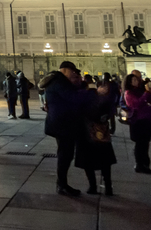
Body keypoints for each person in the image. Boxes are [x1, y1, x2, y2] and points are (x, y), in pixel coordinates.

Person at [38, 60, 85, 195]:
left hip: (60, 122)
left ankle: (62, 183)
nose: (74, 74)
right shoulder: (60, 82)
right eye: (72, 71)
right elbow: (74, 98)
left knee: (65, 154)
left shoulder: (57, 81)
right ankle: (62, 185)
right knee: (65, 154)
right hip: (63, 124)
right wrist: (92, 93)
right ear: (65, 70)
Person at [75, 79, 116, 195]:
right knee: (103, 161)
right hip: (98, 133)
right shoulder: (102, 98)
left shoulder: (90, 97)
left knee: (90, 161)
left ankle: (95, 186)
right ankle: (106, 186)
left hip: (89, 132)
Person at [124, 74, 151, 174]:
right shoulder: (128, 93)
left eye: (137, 79)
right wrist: (146, 94)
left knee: (146, 143)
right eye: (134, 80)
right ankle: (140, 165)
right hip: (138, 121)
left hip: (148, 119)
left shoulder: (140, 90)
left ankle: (147, 165)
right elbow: (136, 104)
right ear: (129, 82)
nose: (136, 81)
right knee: (140, 144)